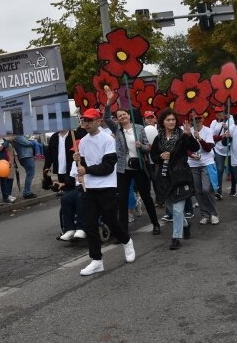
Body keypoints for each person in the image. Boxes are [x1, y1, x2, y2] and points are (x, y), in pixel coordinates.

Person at [75, 108, 135, 275]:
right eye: (83, 120)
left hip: (106, 186)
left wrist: (86, 169)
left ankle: (127, 241)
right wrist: (78, 163)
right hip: (89, 188)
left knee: (111, 221)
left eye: (89, 120)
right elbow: (82, 167)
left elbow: (108, 167)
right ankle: (96, 260)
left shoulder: (108, 140)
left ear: (98, 121)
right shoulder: (83, 141)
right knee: (89, 224)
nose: (85, 123)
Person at [102, 91, 160, 235]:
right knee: (122, 200)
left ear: (129, 115)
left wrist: (142, 146)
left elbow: (148, 147)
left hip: (139, 167)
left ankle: (155, 223)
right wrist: (109, 102)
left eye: (124, 114)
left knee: (146, 196)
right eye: (119, 116)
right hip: (123, 169)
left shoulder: (139, 128)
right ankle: (123, 231)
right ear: (118, 119)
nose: (122, 117)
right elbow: (106, 117)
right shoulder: (117, 129)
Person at [151, 109, 198, 250]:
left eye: (173, 120)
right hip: (164, 177)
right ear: (162, 122)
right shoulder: (158, 138)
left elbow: (196, 147)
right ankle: (185, 225)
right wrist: (160, 156)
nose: (171, 122)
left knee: (177, 209)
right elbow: (153, 157)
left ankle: (176, 237)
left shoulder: (182, 135)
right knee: (170, 207)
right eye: (168, 120)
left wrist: (189, 136)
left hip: (180, 176)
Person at [187, 114, 220, 226]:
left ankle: (214, 214)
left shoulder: (208, 131)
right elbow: (186, 149)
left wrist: (200, 138)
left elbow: (208, 148)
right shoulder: (188, 131)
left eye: (199, 118)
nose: (197, 121)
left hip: (206, 163)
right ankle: (205, 214)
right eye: (194, 119)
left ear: (203, 119)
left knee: (207, 189)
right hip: (193, 164)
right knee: (198, 191)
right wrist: (191, 155)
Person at [55, 141, 86, 241]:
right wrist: (63, 184)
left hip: (89, 187)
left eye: (77, 151)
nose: (74, 154)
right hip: (77, 187)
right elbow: (72, 178)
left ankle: (81, 228)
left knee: (80, 197)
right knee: (66, 198)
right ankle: (69, 229)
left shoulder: (89, 159)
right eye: (74, 152)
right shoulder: (74, 163)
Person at [209, 107, 234, 199]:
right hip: (219, 149)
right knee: (219, 169)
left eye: (220, 112)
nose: (218, 114)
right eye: (216, 112)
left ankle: (233, 189)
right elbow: (211, 136)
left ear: (224, 112)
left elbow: (234, 132)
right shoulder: (213, 123)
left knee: (233, 171)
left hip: (230, 149)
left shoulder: (230, 120)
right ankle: (219, 192)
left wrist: (227, 128)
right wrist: (221, 135)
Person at [13, 135, 36, 199]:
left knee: (30, 174)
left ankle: (27, 191)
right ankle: (27, 192)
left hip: (26, 156)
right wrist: (33, 142)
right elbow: (27, 143)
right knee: (30, 174)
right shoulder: (18, 135)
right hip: (26, 156)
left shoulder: (18, 135)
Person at [0, 138, 18, 204]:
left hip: (9, 161)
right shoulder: (1, 141)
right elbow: (0, 148)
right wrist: (7, 141)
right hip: (3, 162)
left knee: (10, 178)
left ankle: (9, 195)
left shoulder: (5, 140)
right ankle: (6, 197)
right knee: (4, 180)